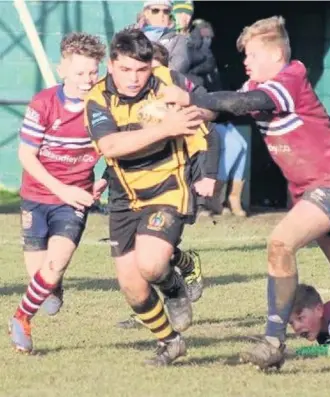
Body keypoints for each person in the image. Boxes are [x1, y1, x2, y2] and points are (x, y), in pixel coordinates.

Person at [160, 16, 330, 370]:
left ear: (275, 55)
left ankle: (274, 341)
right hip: (316, 188)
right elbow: (223, 107)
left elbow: (245, 102)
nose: (246, 61)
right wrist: (183, 104)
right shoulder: (259, 84)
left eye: (253, 55)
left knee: (280, 242)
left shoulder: (288, 78)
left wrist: (190, 94)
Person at [84, 29, 216, 366]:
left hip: (168, 188)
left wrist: (195, 109)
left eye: (141, 70)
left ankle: (173, 287)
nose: (133, 78)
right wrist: (164, 128)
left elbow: (209, 109)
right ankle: (170, 342)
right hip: (124, 195)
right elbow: (110, 146)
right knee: (132, 286)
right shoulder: (98, 99)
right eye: (125, 70)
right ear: (111, 65)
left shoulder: (167, 80)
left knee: (151, 264)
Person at [9, 32, 107, 353]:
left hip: (74, 200)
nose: (87, 80)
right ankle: (53, 284)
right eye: (79, 73)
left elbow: (120, 149)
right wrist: (60, 188)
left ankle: (21, 318)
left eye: (93, 72)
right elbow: (26, 156)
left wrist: (104, 179)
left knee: (53, 265)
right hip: (37, 196)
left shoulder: (105, 105)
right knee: (42, 275)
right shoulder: (44, 103)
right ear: (61, 70)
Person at [115, 39, 219, 330]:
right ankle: (176, 273)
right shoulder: (129, 101)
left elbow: (211, 132)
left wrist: (209, 175)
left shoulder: (174, 96)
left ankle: (180, 271)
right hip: (139, 186)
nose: (140, 79)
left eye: (147, 70)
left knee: (156, 247)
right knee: (142, 250)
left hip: (183, 173)